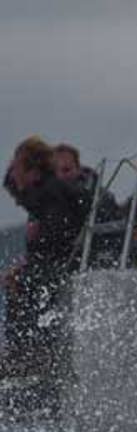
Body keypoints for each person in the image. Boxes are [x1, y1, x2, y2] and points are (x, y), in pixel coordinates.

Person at [2, 136, 89, 399]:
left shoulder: (50, 193)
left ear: (31, 170)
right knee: (22, 277)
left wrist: (33, 245)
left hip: (63, 265)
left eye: (17, 167)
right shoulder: (45, 193)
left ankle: (29, 351)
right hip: (57, 262)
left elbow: (58, 237)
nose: (13, 172)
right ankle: (24, 349)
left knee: (24, 282)